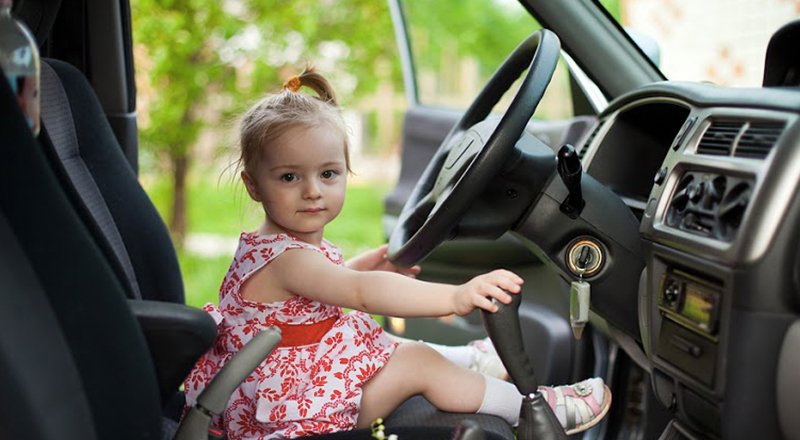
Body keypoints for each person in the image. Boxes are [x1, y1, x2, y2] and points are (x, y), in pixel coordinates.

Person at [183, 66, 612, 439]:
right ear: (254, 185)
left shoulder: (278, 250)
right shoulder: (289, 257)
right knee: (417, 361)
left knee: (366, 337)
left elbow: (300, 302)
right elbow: (362, 294)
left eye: (328, 173)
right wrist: (455, 295)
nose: (313, 191)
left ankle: (472, 362)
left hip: (280, 386)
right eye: (290, 176)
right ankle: (533, 410)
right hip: (288, 413)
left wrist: (352, 267)